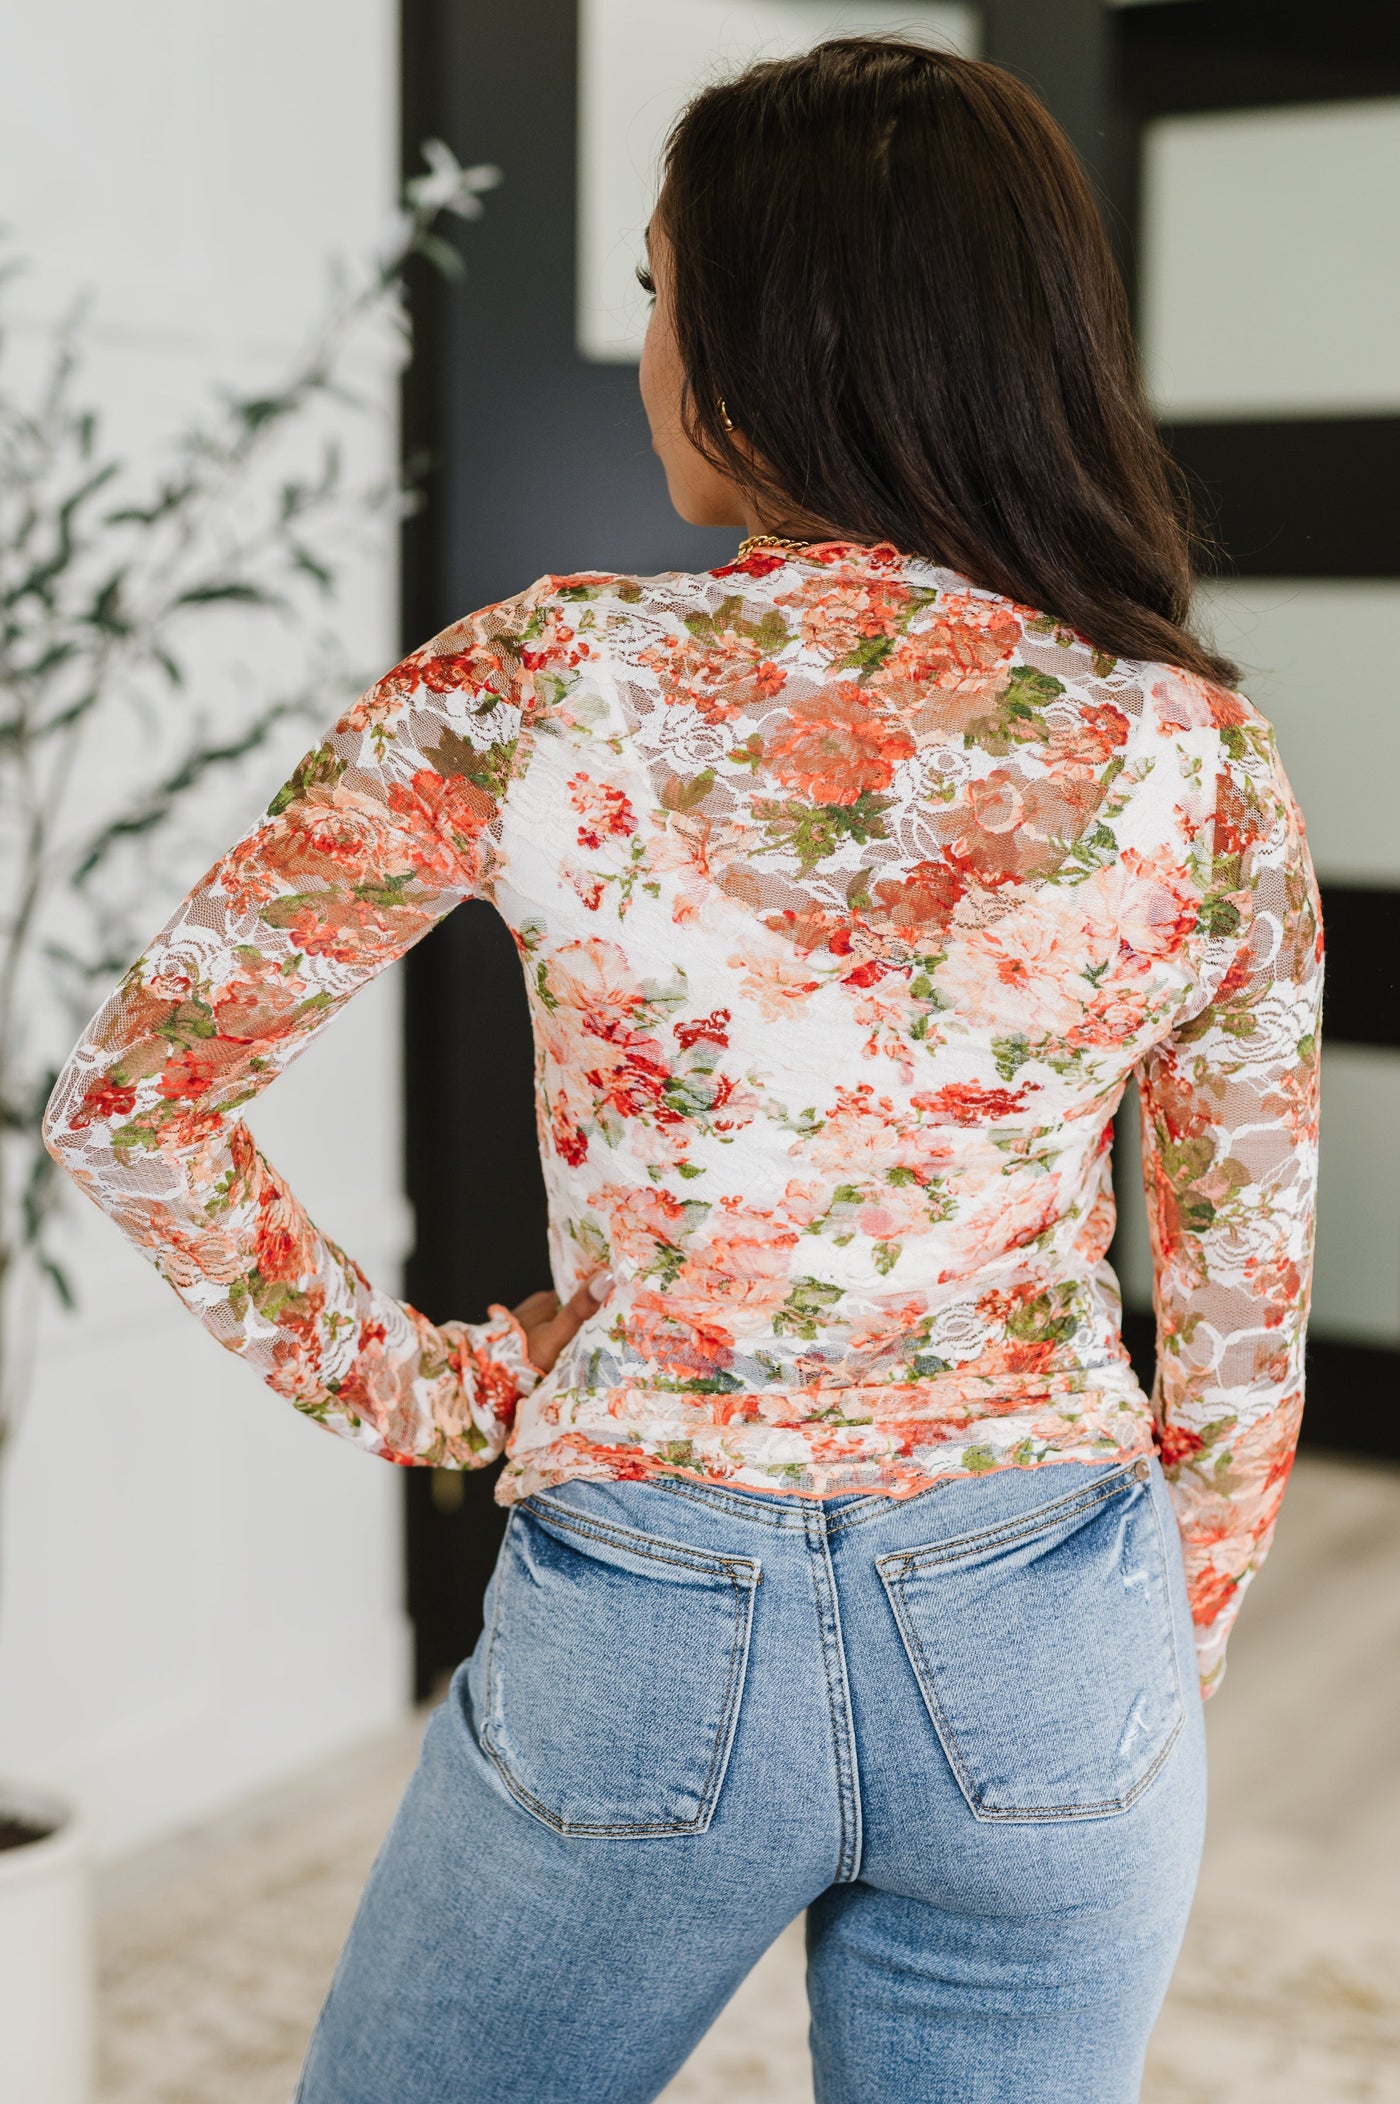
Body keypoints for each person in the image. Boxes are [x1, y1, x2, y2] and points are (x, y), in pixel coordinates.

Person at [43, 37, 1322, 2104]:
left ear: (767, 340)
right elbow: (1243, 1327)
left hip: (651, 1613)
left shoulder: (541, 683)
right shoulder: (1193, 748)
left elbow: (133, 1102)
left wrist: (436, 1390)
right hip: (1055, 1623)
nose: (652, 350)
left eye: (662, 290)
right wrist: (1143, 1666)